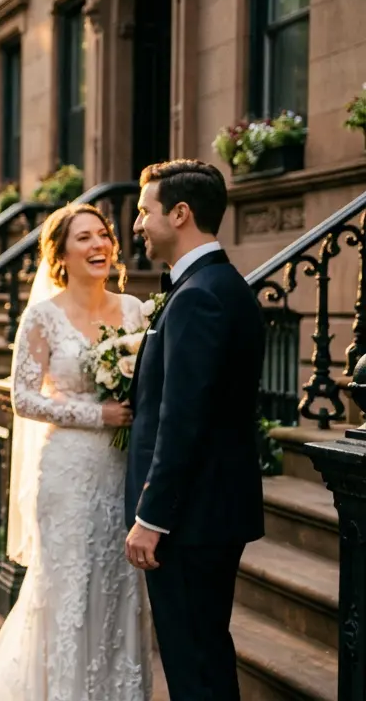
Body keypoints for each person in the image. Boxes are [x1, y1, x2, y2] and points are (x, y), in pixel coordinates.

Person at [0, 203, 154, 701]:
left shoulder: (134, 310)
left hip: (121, 469)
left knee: (119, 585)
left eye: (103, 235)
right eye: (84, 238)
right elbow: (23, 399)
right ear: (61, 254)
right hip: (68, 473)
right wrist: (97, 415)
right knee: (69, 590)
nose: (99, 245)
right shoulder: (43, 316)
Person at [126, 159, 265, 700]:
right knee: (204, 658)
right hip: (207, 513)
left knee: (194, 669)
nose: (137, 224)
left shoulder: (200, 295)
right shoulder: (218, 284)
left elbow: (183, 420)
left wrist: (152, 517)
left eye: (145, 211)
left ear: (180, 213)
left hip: (189, 521)